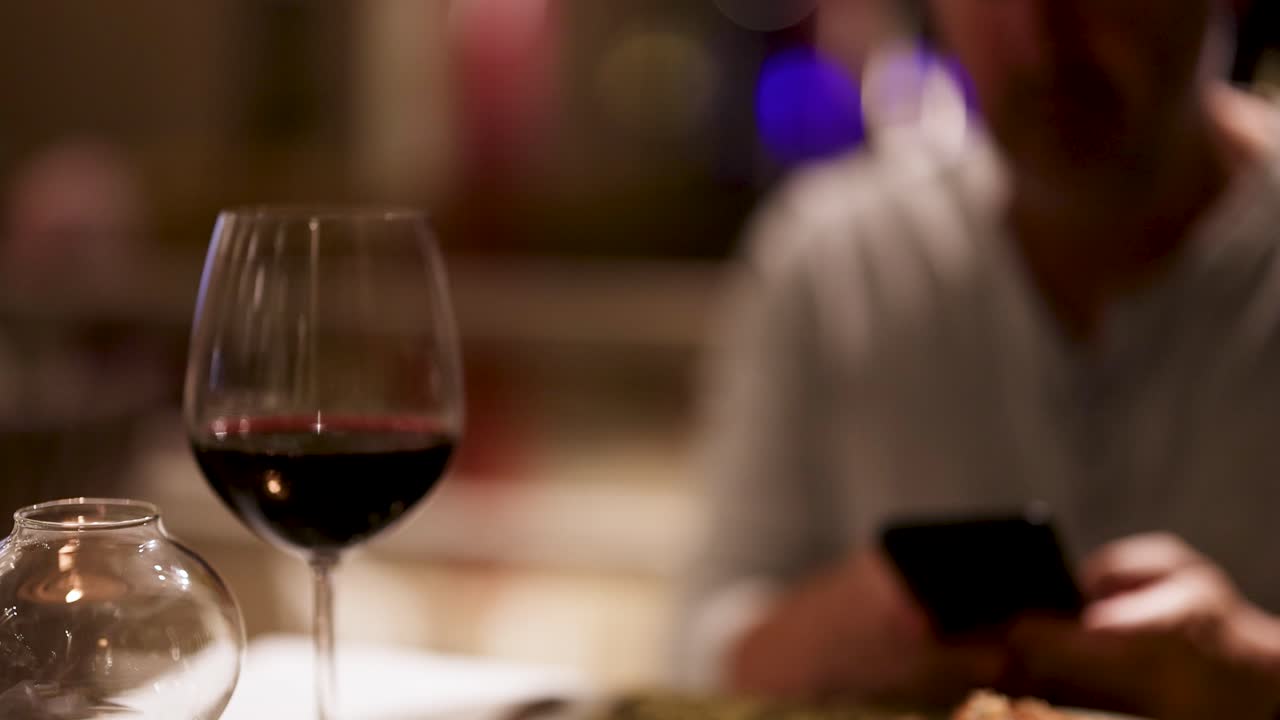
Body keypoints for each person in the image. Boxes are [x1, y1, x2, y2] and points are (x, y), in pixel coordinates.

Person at [678, 1, 1280, 718]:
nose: (1041, 30)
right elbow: (702, 643)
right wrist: (826, 639)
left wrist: (1254, 672)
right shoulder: (831, 261)